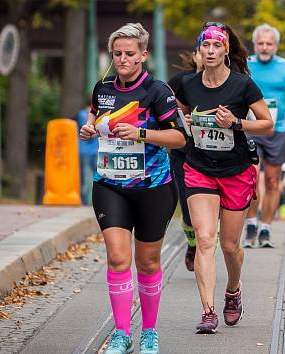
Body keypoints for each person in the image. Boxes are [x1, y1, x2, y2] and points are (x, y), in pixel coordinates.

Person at [79, 23, 186, 354]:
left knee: (149, 263)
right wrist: (88, 130)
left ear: (143, 55)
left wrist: (141, 134)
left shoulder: (157, 91)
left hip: (153, 186)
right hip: (110, 184)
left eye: (129, 54)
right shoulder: (102, 88)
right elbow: (96, 119)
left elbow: (180, 138)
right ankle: (123, 333)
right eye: (117, 54)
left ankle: (149, 331)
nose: (122, 59)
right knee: (117, 256)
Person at [174, 22, 274, 334]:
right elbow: (176, 112)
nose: (212, 51)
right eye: (206, 46)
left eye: (217, 46)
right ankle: (208, 311)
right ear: (199, 51)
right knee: (205, 238)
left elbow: (268, 124)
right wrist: (187, 121)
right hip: (199, 167)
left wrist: (236, 122)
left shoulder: (242, 85)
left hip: (236, 171)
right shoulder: (187, 84)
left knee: (230, 246)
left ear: (226, 50)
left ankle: (233, 290)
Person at [244, 23, 285, 248]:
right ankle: (250, 222)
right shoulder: (245, 65)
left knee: (272, 180)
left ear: (276, 45)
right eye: (261, 43)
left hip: (276, 131)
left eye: (269, 44)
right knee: (250, 177)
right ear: (254, 45)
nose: (265, 47)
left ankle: (265, 227)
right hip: (250, 128)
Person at [168, 45, 203, 272]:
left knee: (210, 211)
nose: (208, 54)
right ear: (195, 56)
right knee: (189, 210)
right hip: (184, 153)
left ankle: (204, 252)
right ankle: (192, 243)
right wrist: (182, 121)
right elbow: (165, 112)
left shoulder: (228, 81)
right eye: (203, 49)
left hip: (214, 156)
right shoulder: (181, 81)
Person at [76, 103, 98, 205]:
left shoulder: (81, 113)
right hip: (90, 150)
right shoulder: (84, 114)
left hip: (85, 150)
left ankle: (86, 202)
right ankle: (86, 202)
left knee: (86, 178)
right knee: (96, 177)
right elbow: (89, 128)